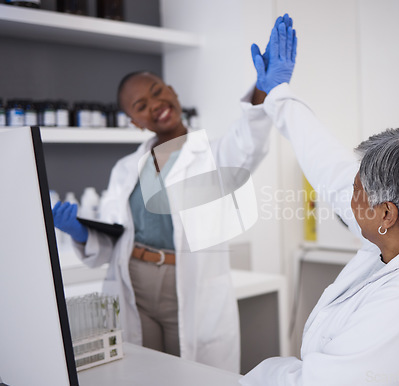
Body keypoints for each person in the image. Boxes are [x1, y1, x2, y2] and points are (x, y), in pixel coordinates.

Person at [51, 15, 294, 372]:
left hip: (187, 283)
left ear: (173, 92)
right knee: (145, 372)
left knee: (192, 373)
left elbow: (247, 148)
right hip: (135, 280)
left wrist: (262, 92)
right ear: (135, 122)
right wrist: (82, 232)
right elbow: (114, 237)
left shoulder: (212, 154)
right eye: (140, 105)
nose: (154, 104)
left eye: (156, 92)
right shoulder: (125, 169)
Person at [240, 18, 399, 385]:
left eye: (357, 188)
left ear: (386, 214)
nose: (347, 192)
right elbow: (326, 161)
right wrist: (279, 94)